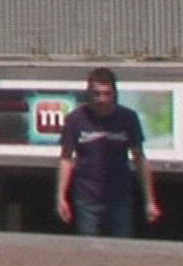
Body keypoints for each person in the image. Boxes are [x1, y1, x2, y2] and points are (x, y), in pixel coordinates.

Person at [56, 67, 161, 238]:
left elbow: (139, 158)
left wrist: (150, 200)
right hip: (86, 197)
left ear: (114, 93)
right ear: (89, 93)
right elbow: (66, 158)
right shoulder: (75, 119)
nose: (101, 99)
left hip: (119, 196)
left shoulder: (128, 118)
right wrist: (61, 197)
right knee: (88, 246)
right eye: (96, 94)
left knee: (121, 247)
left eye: (106, 94)